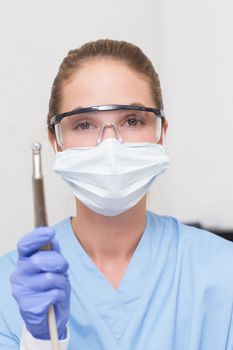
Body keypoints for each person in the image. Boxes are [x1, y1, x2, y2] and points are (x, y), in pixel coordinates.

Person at [0, 39, 232, 350]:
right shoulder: (10, 288)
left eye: (132, 120)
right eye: (84, 124)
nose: (110, 144)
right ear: (56, 142)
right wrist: (38, 343)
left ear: (161, 133)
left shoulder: (222, 271)